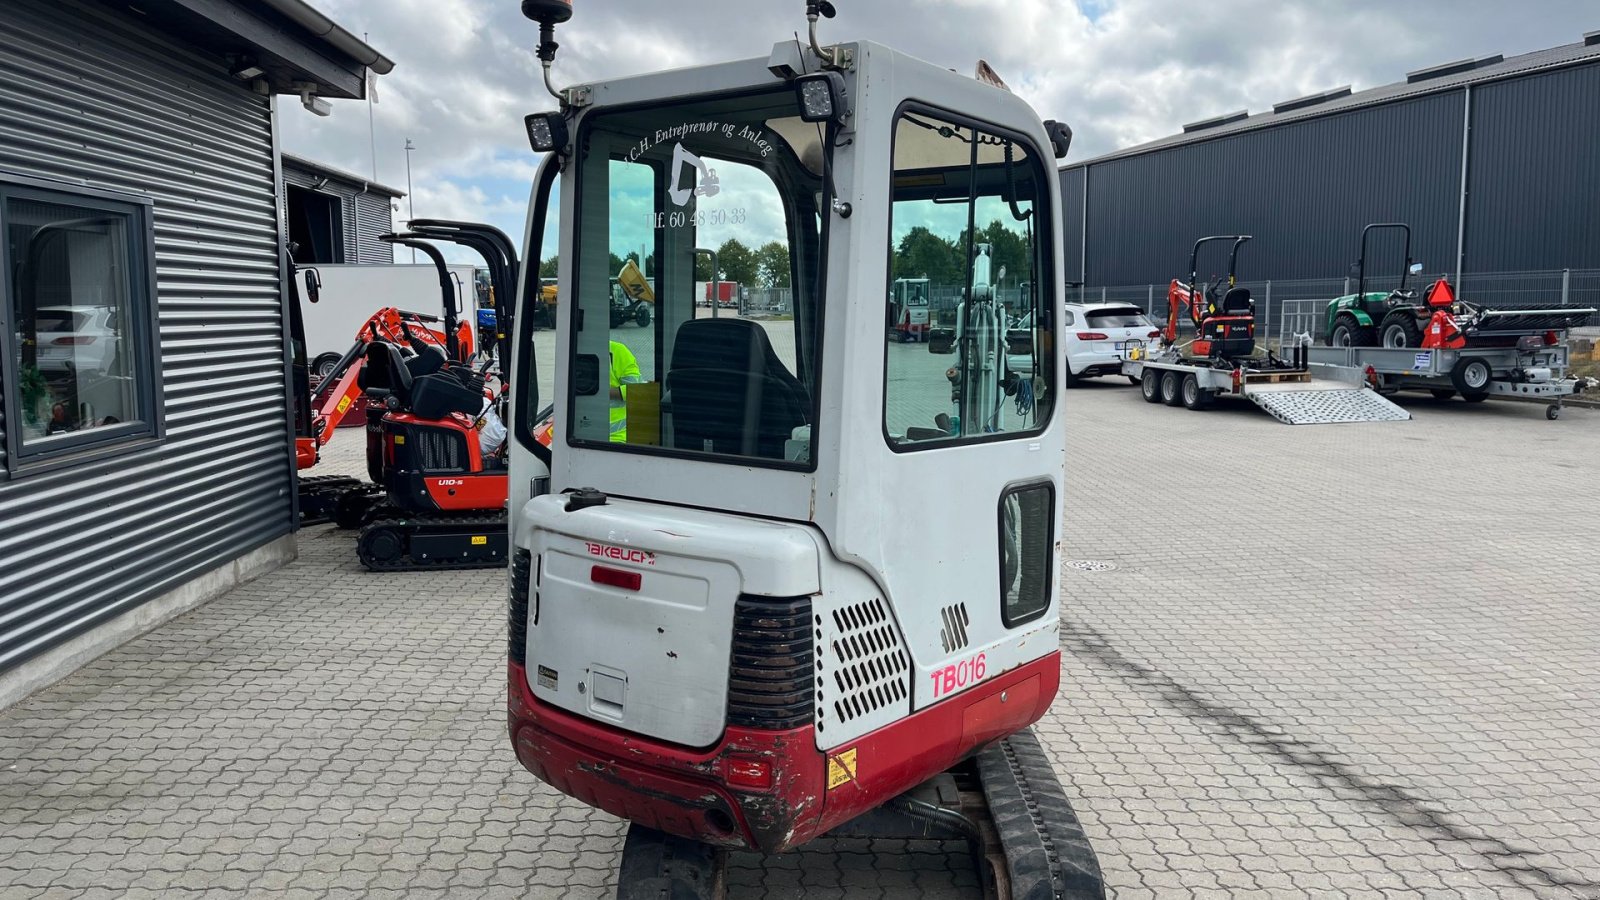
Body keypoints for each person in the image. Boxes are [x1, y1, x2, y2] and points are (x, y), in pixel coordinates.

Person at [609, 339, 642, 443]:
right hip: (577, 436)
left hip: (616, 438)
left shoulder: (617, 351)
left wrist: (601, 392)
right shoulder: (571, 350)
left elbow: (636, 390)